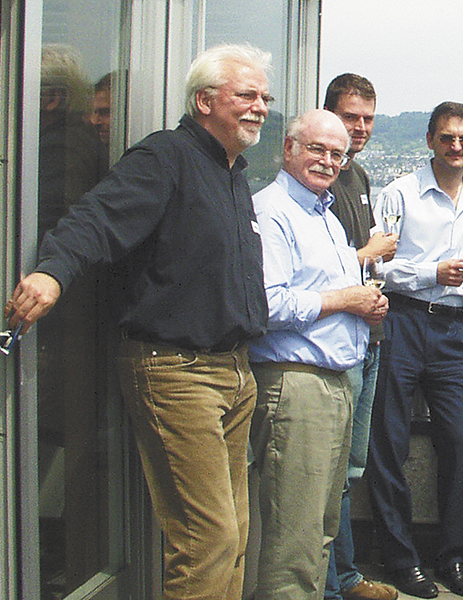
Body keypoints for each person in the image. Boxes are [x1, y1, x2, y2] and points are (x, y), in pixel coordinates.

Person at [5, 43, 273, 600]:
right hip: (177, 372)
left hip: (234, 373)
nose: (260, 107)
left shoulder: (233, 173)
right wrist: (52, 272)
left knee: (237, 534)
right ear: (204, 101)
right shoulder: (166, 158)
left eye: (265, 97)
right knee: (208, 538)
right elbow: (96, 218)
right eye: (246, 95)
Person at [249, 109, 388, 599]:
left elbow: (329, 292)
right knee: (294, 540)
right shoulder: (271, 212)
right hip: (295, 384)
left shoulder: (324, 214)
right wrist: (345, 300)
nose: (328, 161)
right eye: (316, 149)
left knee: (320, 529)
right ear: (288, 150)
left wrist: (364, 305)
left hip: (333, 382)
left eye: (337, 153)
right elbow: (266, 304)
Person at [366, 101, 463, 599]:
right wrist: (432, 272)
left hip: (453, 333)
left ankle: (454, 557)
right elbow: (377, 268)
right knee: (388, 445)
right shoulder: (399, 193)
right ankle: (401, 560)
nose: (457, 147)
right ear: (430, 141)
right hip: (400, 321)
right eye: (447, 138)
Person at [321, 73, 399, 600]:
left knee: (350, 465)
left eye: (368, 118)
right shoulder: (317, 178)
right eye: (352, 117)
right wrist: (368, 255)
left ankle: (342, 578)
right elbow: (311, 268)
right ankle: (333, 582)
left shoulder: (361, 176)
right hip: (331, 343)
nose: (361, 128)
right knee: (329, 470)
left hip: (367, 336)